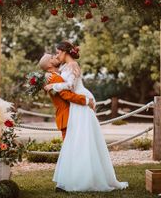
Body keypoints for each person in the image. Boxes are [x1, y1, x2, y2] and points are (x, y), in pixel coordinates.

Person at [44, 41, 128, 192]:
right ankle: (75, 177)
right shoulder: (65, 67)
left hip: (80, 104)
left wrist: (53, 86)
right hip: (77, 104)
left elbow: (69, 85)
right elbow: (65, 82)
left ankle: (84, 179)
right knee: (76, 140)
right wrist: (52, 78)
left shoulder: (72, 65)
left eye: (58, 52)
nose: (57, 55)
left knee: (82, 140)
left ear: (64, 52)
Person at [38, 53, 95, 140]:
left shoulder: (54, 76)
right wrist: (86, 100)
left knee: (71, 145)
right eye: (52, 57)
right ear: (49, 64)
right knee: (71, 145)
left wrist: (46, 74)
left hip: (65, 116)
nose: (56, 56)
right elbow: (67, 96)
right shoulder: (55, 78)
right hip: (66, 116)